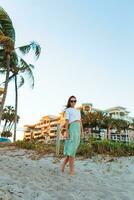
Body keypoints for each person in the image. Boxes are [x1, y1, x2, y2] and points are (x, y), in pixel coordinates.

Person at [60, 95, 83, 175]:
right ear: (69, 102)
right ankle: (71, 170)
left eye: (75, 101)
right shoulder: (68, 110)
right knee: (72, 151)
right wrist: (67, 132)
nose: (73, 102)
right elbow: (67, 121)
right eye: (72, 101)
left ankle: (63, 165)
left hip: (78, 129)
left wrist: (82, 132)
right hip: (72, 128)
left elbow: (80, 122)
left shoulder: (78, 111)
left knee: (72, 150)